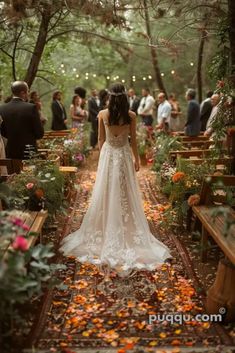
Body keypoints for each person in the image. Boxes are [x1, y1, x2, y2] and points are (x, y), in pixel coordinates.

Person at [60, 83, 171, 276]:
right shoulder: (132, 115)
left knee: (106, 190)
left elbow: (101, 140)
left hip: (109, 155)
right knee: (125, 190)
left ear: (110, 97)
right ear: (124, 97)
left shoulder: (102, 114)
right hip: (124, 155)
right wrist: (137, 160)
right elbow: (133, 142)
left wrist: (103, 158)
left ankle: (107, 224)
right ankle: (125, 225)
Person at [0, 81, 44, 160]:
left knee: (12, 172)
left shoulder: (2, 108)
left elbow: (2, 131)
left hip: (11, 151)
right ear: (23, 93)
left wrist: (13, 137)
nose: (28, 94)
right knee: (29, 172)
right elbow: (39, 133)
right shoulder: (31, 108)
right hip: (29, 152)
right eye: (28, 91)